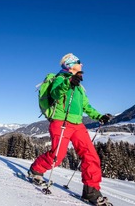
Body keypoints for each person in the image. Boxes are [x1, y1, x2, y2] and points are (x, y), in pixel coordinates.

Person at [27, 54, 113, 206]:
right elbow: (55, 93)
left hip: (78, 124)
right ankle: (36, 170)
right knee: (57, 156)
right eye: (79, 62)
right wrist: (68, 82)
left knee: (91, 155)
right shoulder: (60, 79)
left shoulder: (80, 87)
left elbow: (86, 106)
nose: (82, 64)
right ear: (70, 64)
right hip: (61, 122)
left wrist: (99, 116)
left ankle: (91, 192)